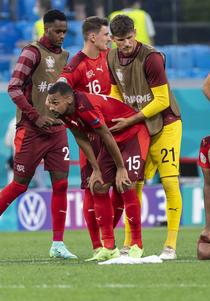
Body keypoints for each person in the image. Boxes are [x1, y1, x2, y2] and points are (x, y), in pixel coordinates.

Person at [46, 81, 150, 261]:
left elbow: (105, 135)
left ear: (69, 99)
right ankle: (109, 247)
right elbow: (82, 139)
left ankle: (137, 244)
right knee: (98, 186)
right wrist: (96, 169)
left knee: (125, 184)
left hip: (133, 134)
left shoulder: (85, 106)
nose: (51, 107)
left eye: (55, 103)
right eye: (49, 102)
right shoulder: (64, 113)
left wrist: (120, 168)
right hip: (113, 139)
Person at [3, 9, 77, 259]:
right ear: (46, 29)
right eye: (58, 31)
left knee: (62, 184)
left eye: (65, 31)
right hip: (32, 130)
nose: (62, 36)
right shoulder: (31, 53)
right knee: (19, 186)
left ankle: (58, 244)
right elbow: (13, 88)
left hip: (57, 131)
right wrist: (36, 116)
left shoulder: (65, 56)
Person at [108, 14, 182, 260]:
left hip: (166, 124)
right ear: (113, 39)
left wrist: (129, 119)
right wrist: (119, 115)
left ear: (135, 33)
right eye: (120, 40)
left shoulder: (151, 58)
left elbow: (161, 101)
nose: (126, 44)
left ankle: (170, 245)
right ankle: (129, 243)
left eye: (129, 38)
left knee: (170, 182)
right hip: (138, 126)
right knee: (132, 184)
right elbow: (115, 91)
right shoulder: (110, 57)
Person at [58, 16, 112, 260]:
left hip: (109, 131)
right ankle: (97, 247)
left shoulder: (105, 57)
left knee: (119, 186)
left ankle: (117, 244)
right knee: (92, 187)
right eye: (105, 34)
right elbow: (59, 89)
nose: (109, 39)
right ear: (92, 37)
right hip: (89, 136)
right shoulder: (77, 63)